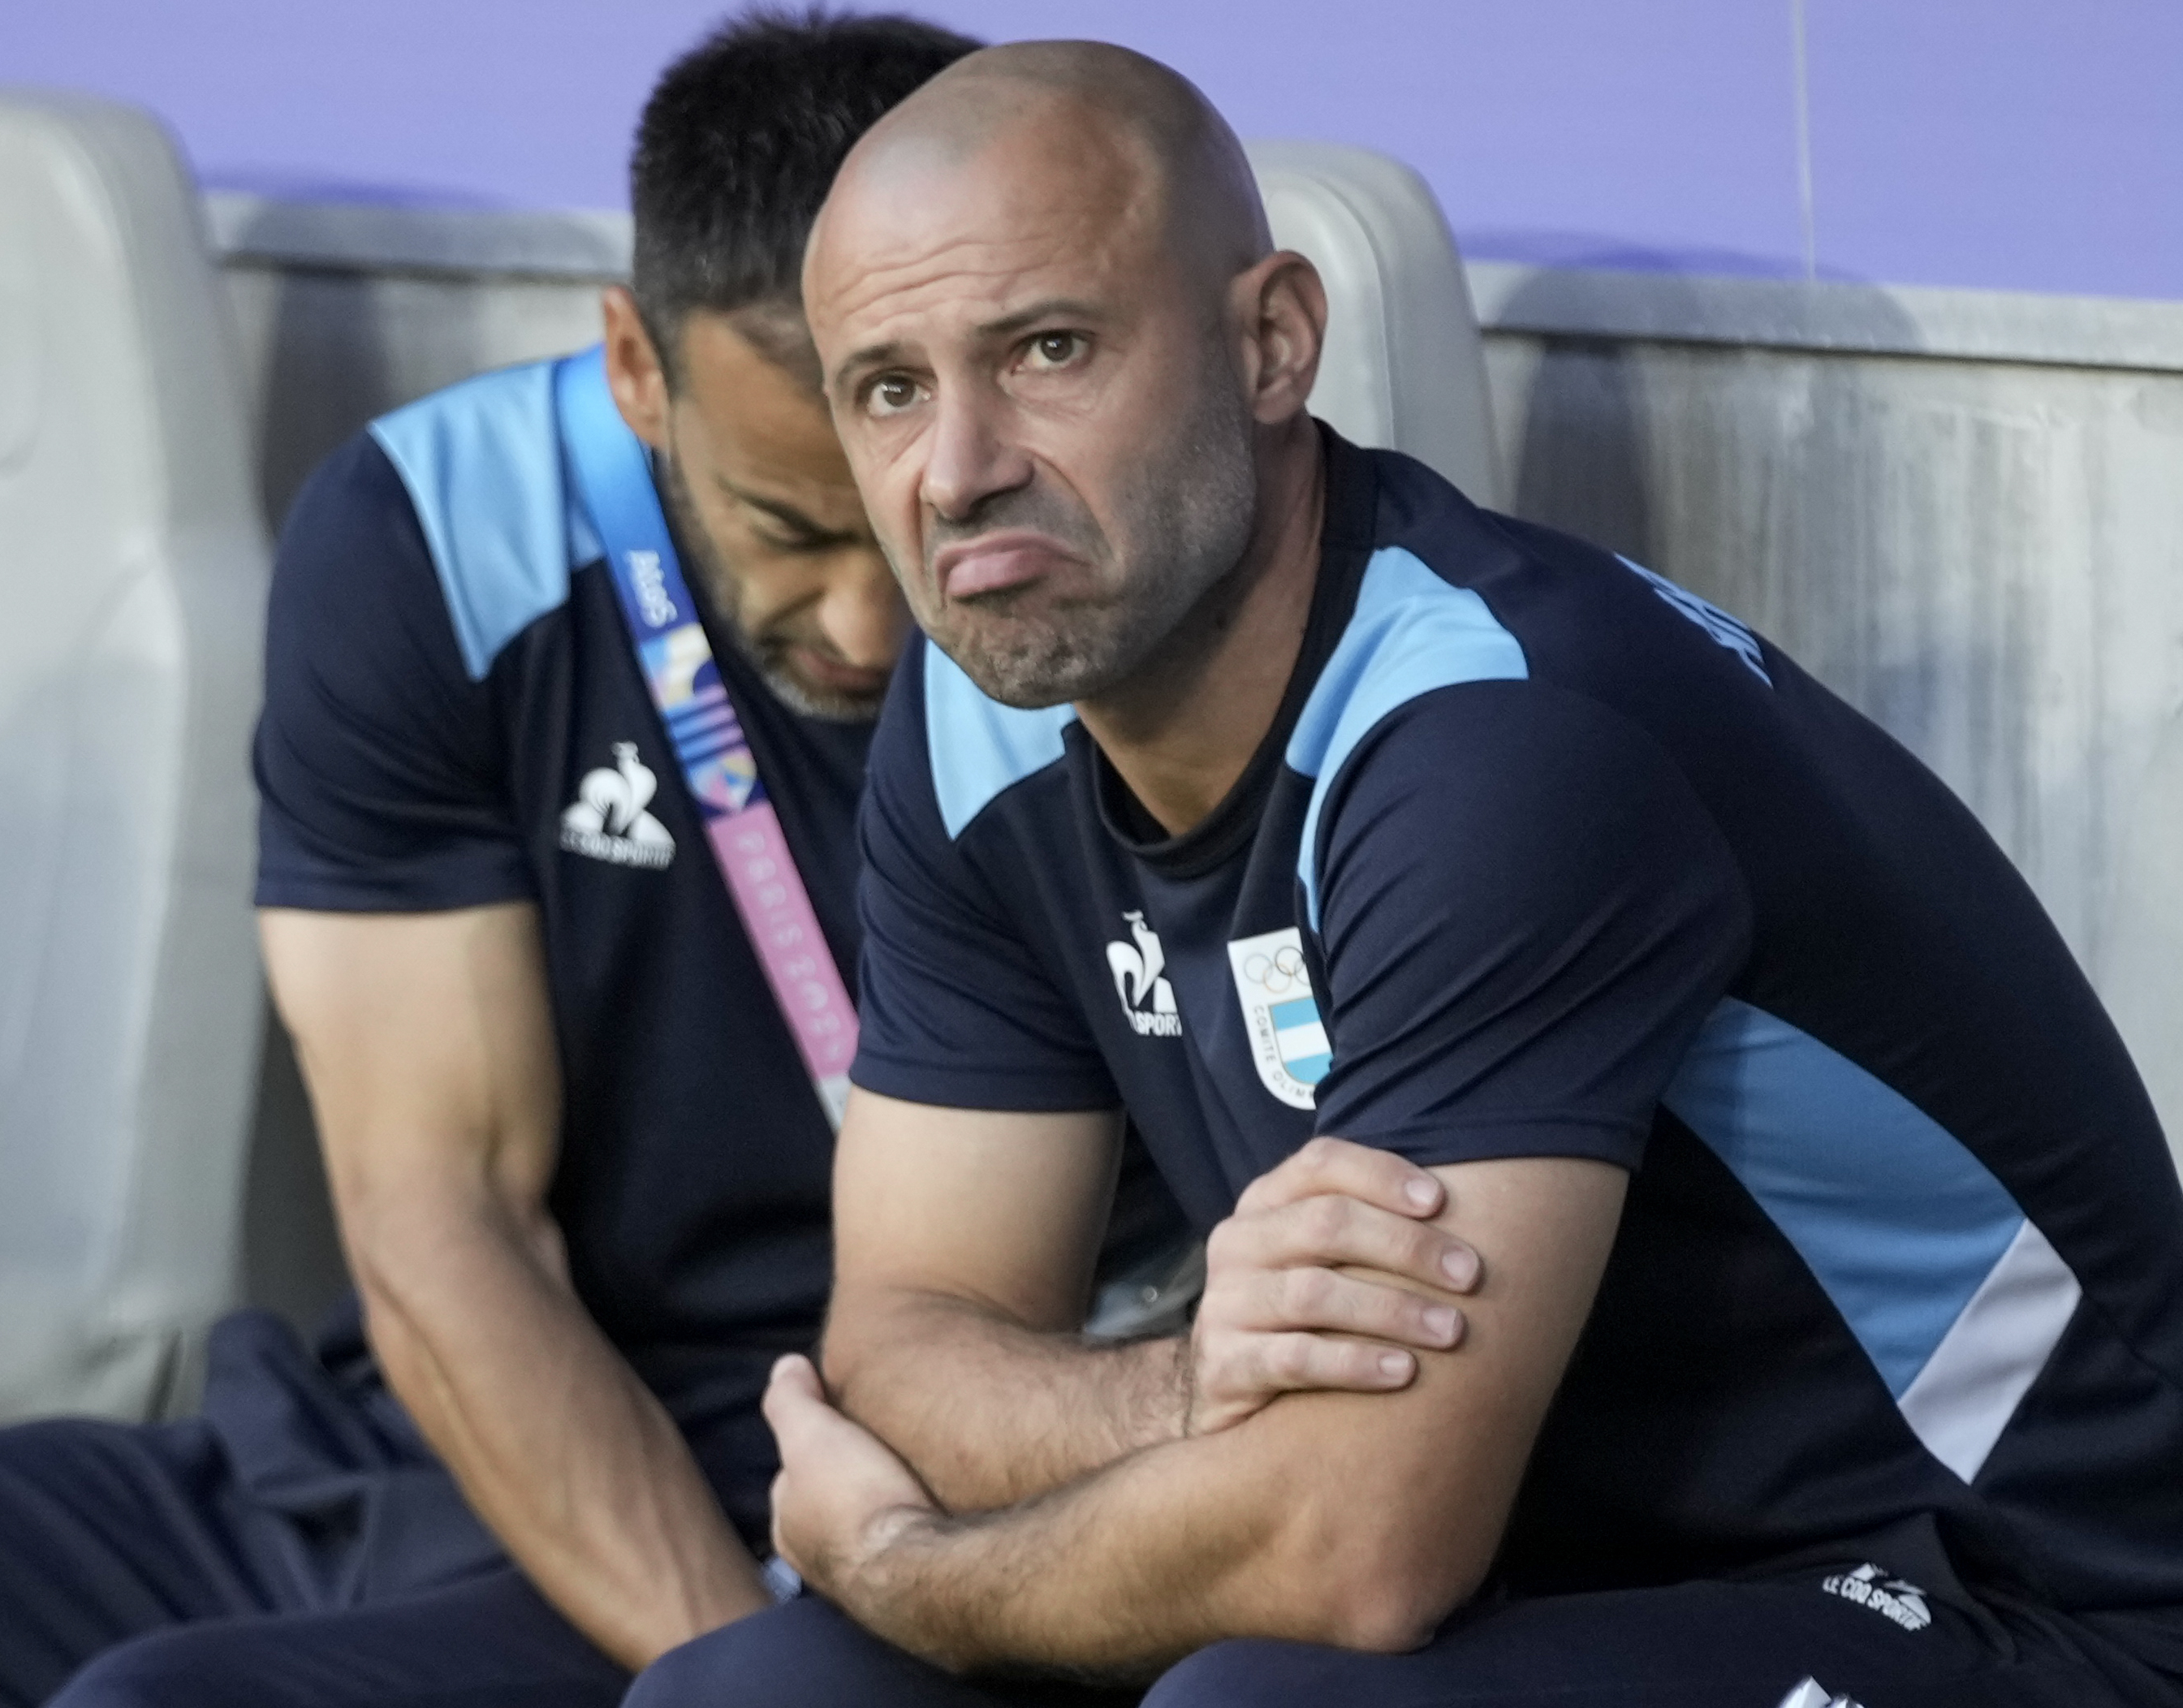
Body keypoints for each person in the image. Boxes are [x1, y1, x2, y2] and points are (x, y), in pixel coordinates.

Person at [0, 17, 1486, 1708]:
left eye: (921, 473)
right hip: (452, 1429)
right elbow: (441, 1220)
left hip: (888, 1474)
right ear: (633, 369)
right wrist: (724, 1664)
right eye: (785, 523)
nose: (875, 602)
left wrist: (777, 1669)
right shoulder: (440, 530)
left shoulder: (1084, 613)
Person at [624, 40, 2183, 1708]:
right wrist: (1187, 1387)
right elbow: (909, 1334)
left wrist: (903, 1563)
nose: (959, 467)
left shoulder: (1499, 741)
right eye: (890, 389)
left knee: (1261, 1697)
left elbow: (1355, 1550)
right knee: (759, 1693)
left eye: (1049, 349)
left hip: (1997, 1594)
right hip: (1541, 1561)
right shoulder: (988, 698)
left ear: (1272, 340)